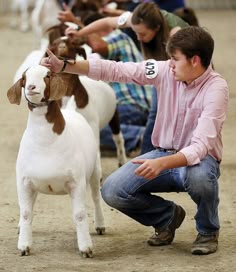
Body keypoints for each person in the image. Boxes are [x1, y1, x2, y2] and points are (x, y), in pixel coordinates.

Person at [41, 26, 229, 255]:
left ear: (195, 60)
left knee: (199, 176)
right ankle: (167, 217)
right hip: (162, 153)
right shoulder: (164, 70)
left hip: (199, 160)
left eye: (175, 59)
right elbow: (119, 70)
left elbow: (200, 147)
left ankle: (208, 231)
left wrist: (162, 164)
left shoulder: (216, 88)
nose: (169, 63)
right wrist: (66, 66)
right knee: (111, 190)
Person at [65, 2, 189, 154]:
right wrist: (80, 32)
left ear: (156, 29)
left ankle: (169, 144)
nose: (138, 37)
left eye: (142, 34)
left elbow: (196, 65)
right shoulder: (136, 19)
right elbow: (106, 22)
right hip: (161, 71)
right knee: (155, 115)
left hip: (184, 69)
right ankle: (149, 152)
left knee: (166, 112)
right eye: (135, 32)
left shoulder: (176, 34)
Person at [59, 6, 153, 154]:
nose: (86, 38)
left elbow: (97, 44)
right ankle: (142, 134)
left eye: (90, 32)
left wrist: (75, 23)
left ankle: (141, 137)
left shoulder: (118, 37)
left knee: (85, 129)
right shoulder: (115, 43)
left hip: (131, 106)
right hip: (136, 109)